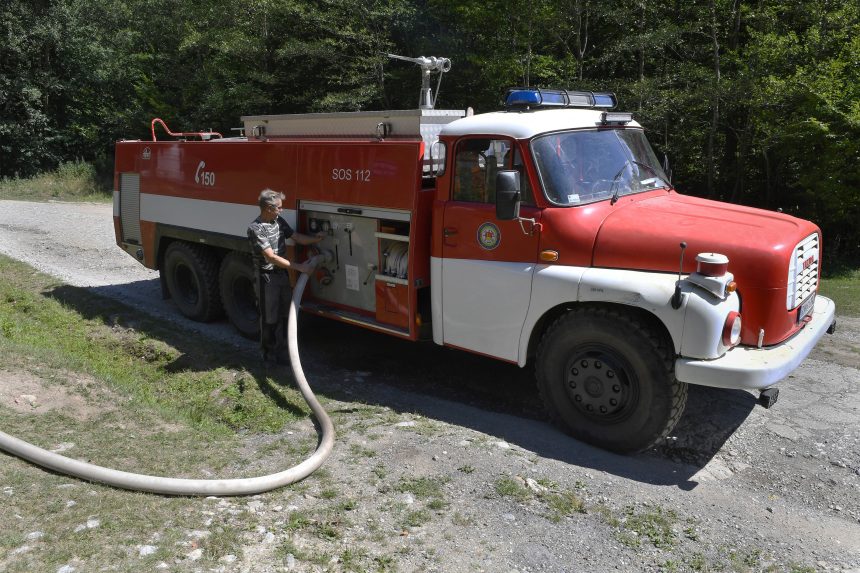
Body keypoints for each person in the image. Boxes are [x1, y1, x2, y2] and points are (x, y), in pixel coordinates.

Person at [248, 189, 324, 364]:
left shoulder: (278, 221)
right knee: (270, 319)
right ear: (268, 208)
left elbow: (296, 237)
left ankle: (283, 353)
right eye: (279, 208)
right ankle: (268, 356)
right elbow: (271, 257)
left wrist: (316, 240)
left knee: (285, 314)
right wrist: (300, 268)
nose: (282, 211)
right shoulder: (256, 229)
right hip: (266, 279)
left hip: (281, 275)